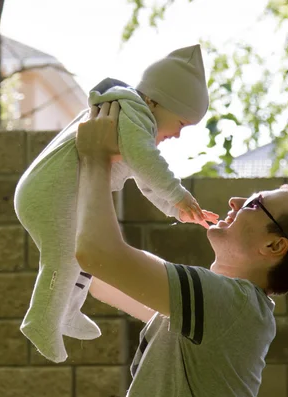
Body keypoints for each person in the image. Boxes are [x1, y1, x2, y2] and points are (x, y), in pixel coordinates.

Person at [74, 101, 288, 397]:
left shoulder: (232, 305)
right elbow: (101, 277)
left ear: (274, 245)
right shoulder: (225, 310)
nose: (235, 201)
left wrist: (96, 159)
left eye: (254, 204)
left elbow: (97, 255)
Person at [14, 44, 219, 363]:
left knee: (80, 254)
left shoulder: (131, 123)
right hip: (48, 193)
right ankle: (41, 321)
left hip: (56, 194)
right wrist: (179, 194)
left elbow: (145, 180)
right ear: (155, 101)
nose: (177, 136)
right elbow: (148, 163)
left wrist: (175, 209)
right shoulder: (132, 112)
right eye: (180, 123)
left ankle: (67, 312)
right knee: (64, 258)